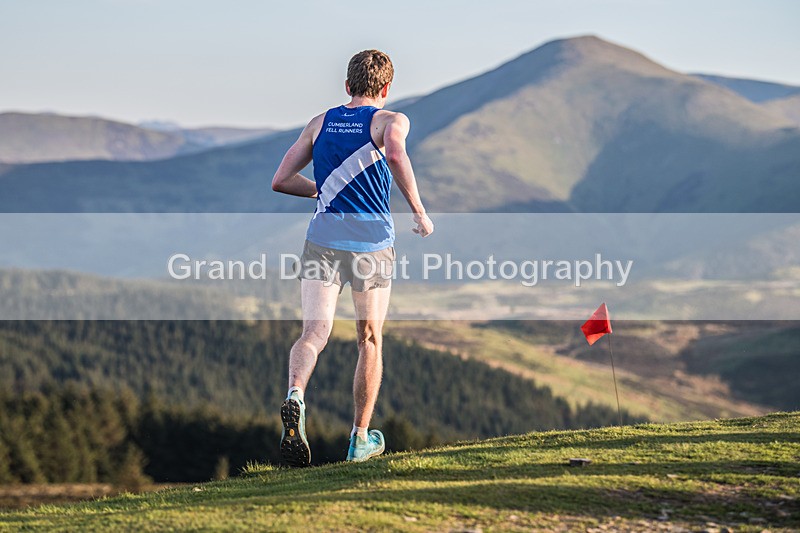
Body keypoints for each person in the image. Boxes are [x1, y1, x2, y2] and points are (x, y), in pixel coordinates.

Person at [271, 49, 434, 466]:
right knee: (369, 338)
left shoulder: (320, 122)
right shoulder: (390, 121)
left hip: (321, 240)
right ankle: (360, 438)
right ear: (385, 88)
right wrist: (418, 208)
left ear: (347, 86)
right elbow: (395, 154)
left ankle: (295, 395)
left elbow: (281, 180)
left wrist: (324, 190)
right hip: (371, 245)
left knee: (313, 333)